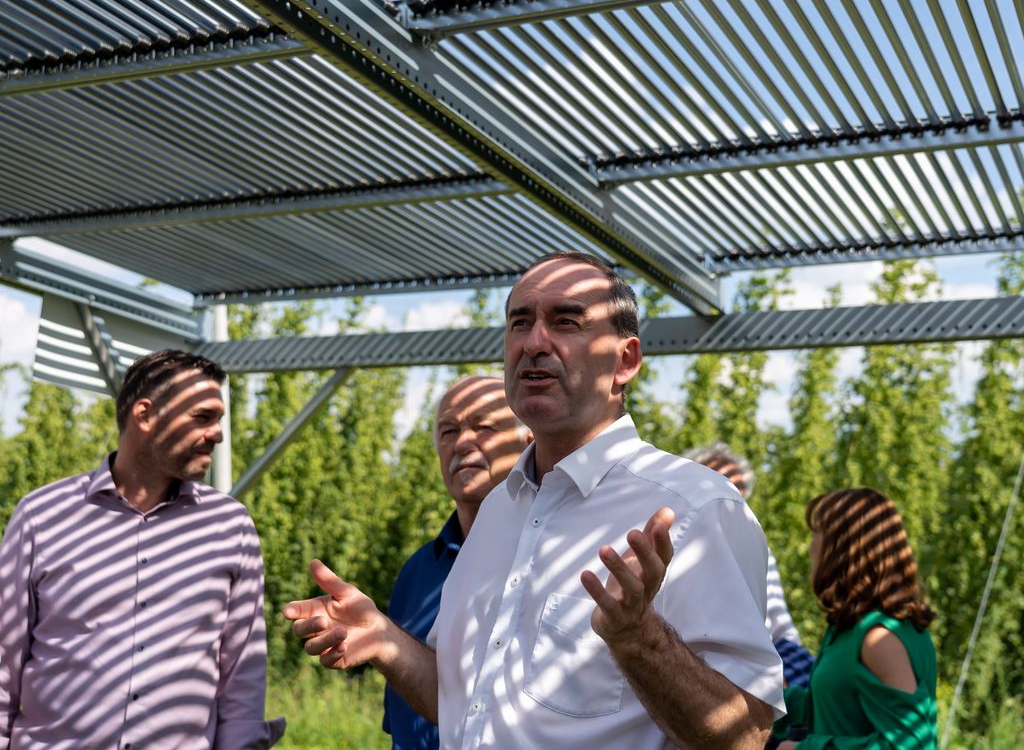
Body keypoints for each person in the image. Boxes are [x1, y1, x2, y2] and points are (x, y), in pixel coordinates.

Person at [284, 250, 784, 750]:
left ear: (625, 361)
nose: (534, 342)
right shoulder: (500, 510)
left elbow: (747, 737)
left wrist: (638, 637)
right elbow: (466, 705)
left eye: (566, 322)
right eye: (519, 323)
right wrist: (383, 638)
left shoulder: (696, 507)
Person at [0, 349, 284, 750]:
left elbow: (242, 679)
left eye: (218, 418)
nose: (218, 433)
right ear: (146, 415)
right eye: (203, 417)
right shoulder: (42, 515)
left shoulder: (230, 527)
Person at [384, 375, 528, 750]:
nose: (463, 442)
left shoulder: (554, 559)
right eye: (449, 431)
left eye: (484, 427)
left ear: (529, 443)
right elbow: (401, 724)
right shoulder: (418, 572)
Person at [771, 488, 938, 750]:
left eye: (816, 533)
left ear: (841, 549)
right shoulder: (849, 628)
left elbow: (908, 745)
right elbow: (835, 706)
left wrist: (797, 749)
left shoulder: (880, 638)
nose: (810, 547)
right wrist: (769, 702)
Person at [686, 443, 816, 687]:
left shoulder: (756, 546)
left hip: (763, 662)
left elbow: (777, 619)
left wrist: (784, 668)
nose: (728, 497)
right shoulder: (678, 544)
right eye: (717, 483)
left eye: (737, 491)